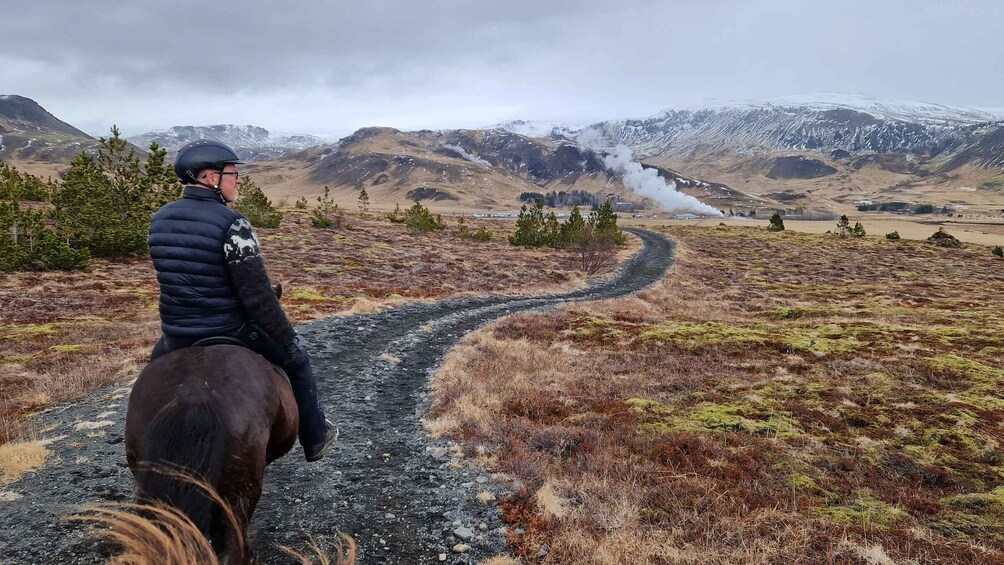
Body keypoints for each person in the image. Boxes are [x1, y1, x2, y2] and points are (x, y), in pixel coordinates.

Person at [147, 139, 336, 462]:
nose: (239, 180)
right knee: (298, 359)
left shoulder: (160, 219)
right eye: (233, 173)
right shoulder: (232, 223)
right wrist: (286, 335)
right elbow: (258, 296)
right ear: (211, 178)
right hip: (229, 329)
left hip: (176, 333)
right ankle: (315, 436)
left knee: (150, 384)